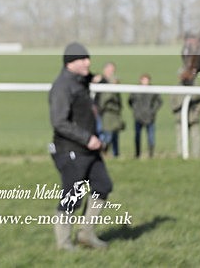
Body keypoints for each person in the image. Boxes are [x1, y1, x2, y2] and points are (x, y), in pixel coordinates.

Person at [49, 42, 113, 250]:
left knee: (103, 185)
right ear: (70, 63)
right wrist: (88, 138)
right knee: (72, 195)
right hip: (70, 149)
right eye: (83, 59)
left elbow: (90, 77)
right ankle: (64, 242)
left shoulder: (79, 80)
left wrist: (97, 77)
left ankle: (86, 234)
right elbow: (59, 122)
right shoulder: (62, 87)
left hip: (88, 150)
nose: (88, 62)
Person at [92, 62, 125, 157]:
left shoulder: (113, 81)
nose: (112, 72)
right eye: (110, 70)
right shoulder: (101, 80)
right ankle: (101, 152)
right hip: (100, 110)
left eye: (113, 70)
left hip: (113, 112)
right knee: (103, 132)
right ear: (105, 69)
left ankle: (115, 154)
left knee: (114, 134)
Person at [128, 74, 162, 158]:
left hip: (150, 117)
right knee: (137, 136)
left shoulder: (153, 90)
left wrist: (152, 111)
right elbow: (130, 101)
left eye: (147, 80)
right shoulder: (135, 90)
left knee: (151, 137)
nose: (145, 82)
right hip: (138, 117)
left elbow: (159, 101)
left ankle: (151, 154)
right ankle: (137, 154)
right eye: (143, 80)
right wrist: (135, 110)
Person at [170, 91, 200, 158]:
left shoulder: (196, 89)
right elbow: (172, 102)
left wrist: (196, 112)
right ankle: (180, 155)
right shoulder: (177, 89)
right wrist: (177, 112)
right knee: (180, 138)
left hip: (193, 118)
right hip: (180, 119)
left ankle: (196, 156)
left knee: (196, 138)